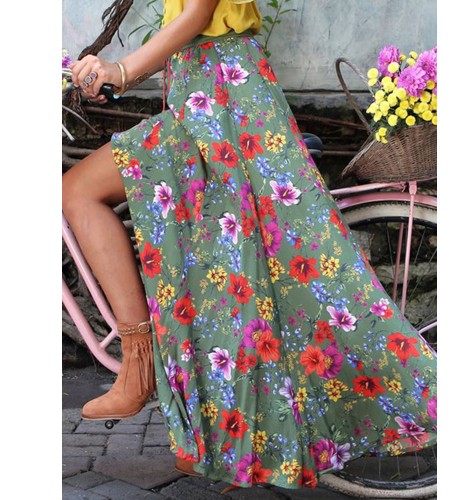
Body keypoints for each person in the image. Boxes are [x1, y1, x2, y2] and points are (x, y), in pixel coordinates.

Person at [63, 0, 437, 490]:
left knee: (78, 192)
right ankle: (214, 439)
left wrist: (123, 70)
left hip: (220, 95)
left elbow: (198, 13)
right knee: (230, 274)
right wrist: (112, 72)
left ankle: (138, 366)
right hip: (211, 90)